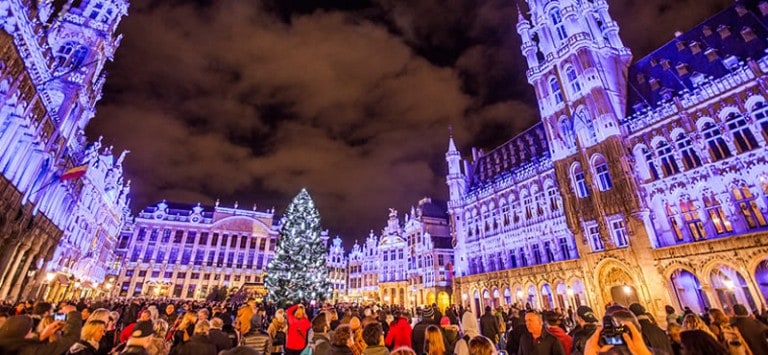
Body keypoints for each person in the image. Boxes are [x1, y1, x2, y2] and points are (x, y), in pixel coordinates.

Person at [0, 304, 82, 355]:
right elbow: (71, 338)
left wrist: (40, 336)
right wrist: (73, 314)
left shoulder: (5, 345)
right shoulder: (29, 351)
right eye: (30, 331)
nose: (32, 333)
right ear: (25, 334)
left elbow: (21, 343)